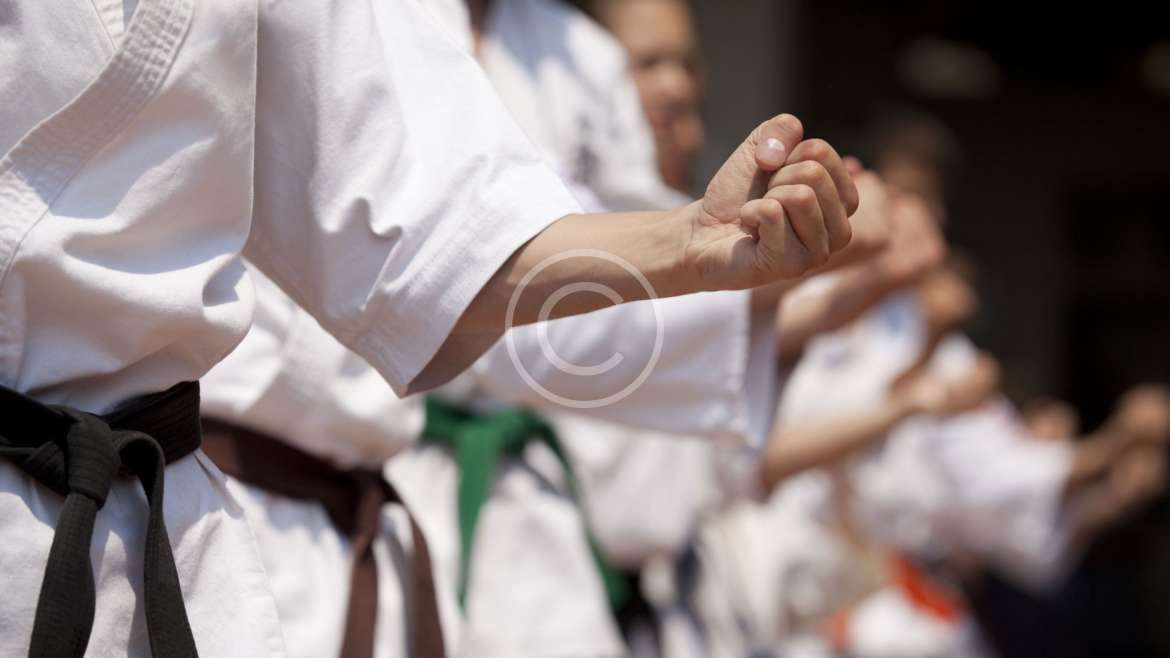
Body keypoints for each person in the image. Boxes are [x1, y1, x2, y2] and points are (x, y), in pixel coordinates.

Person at [1, 2, 861, 656]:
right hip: (243, 487)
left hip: (178, 536)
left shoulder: (560, 53)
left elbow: (449, 248)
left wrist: (688, 241)